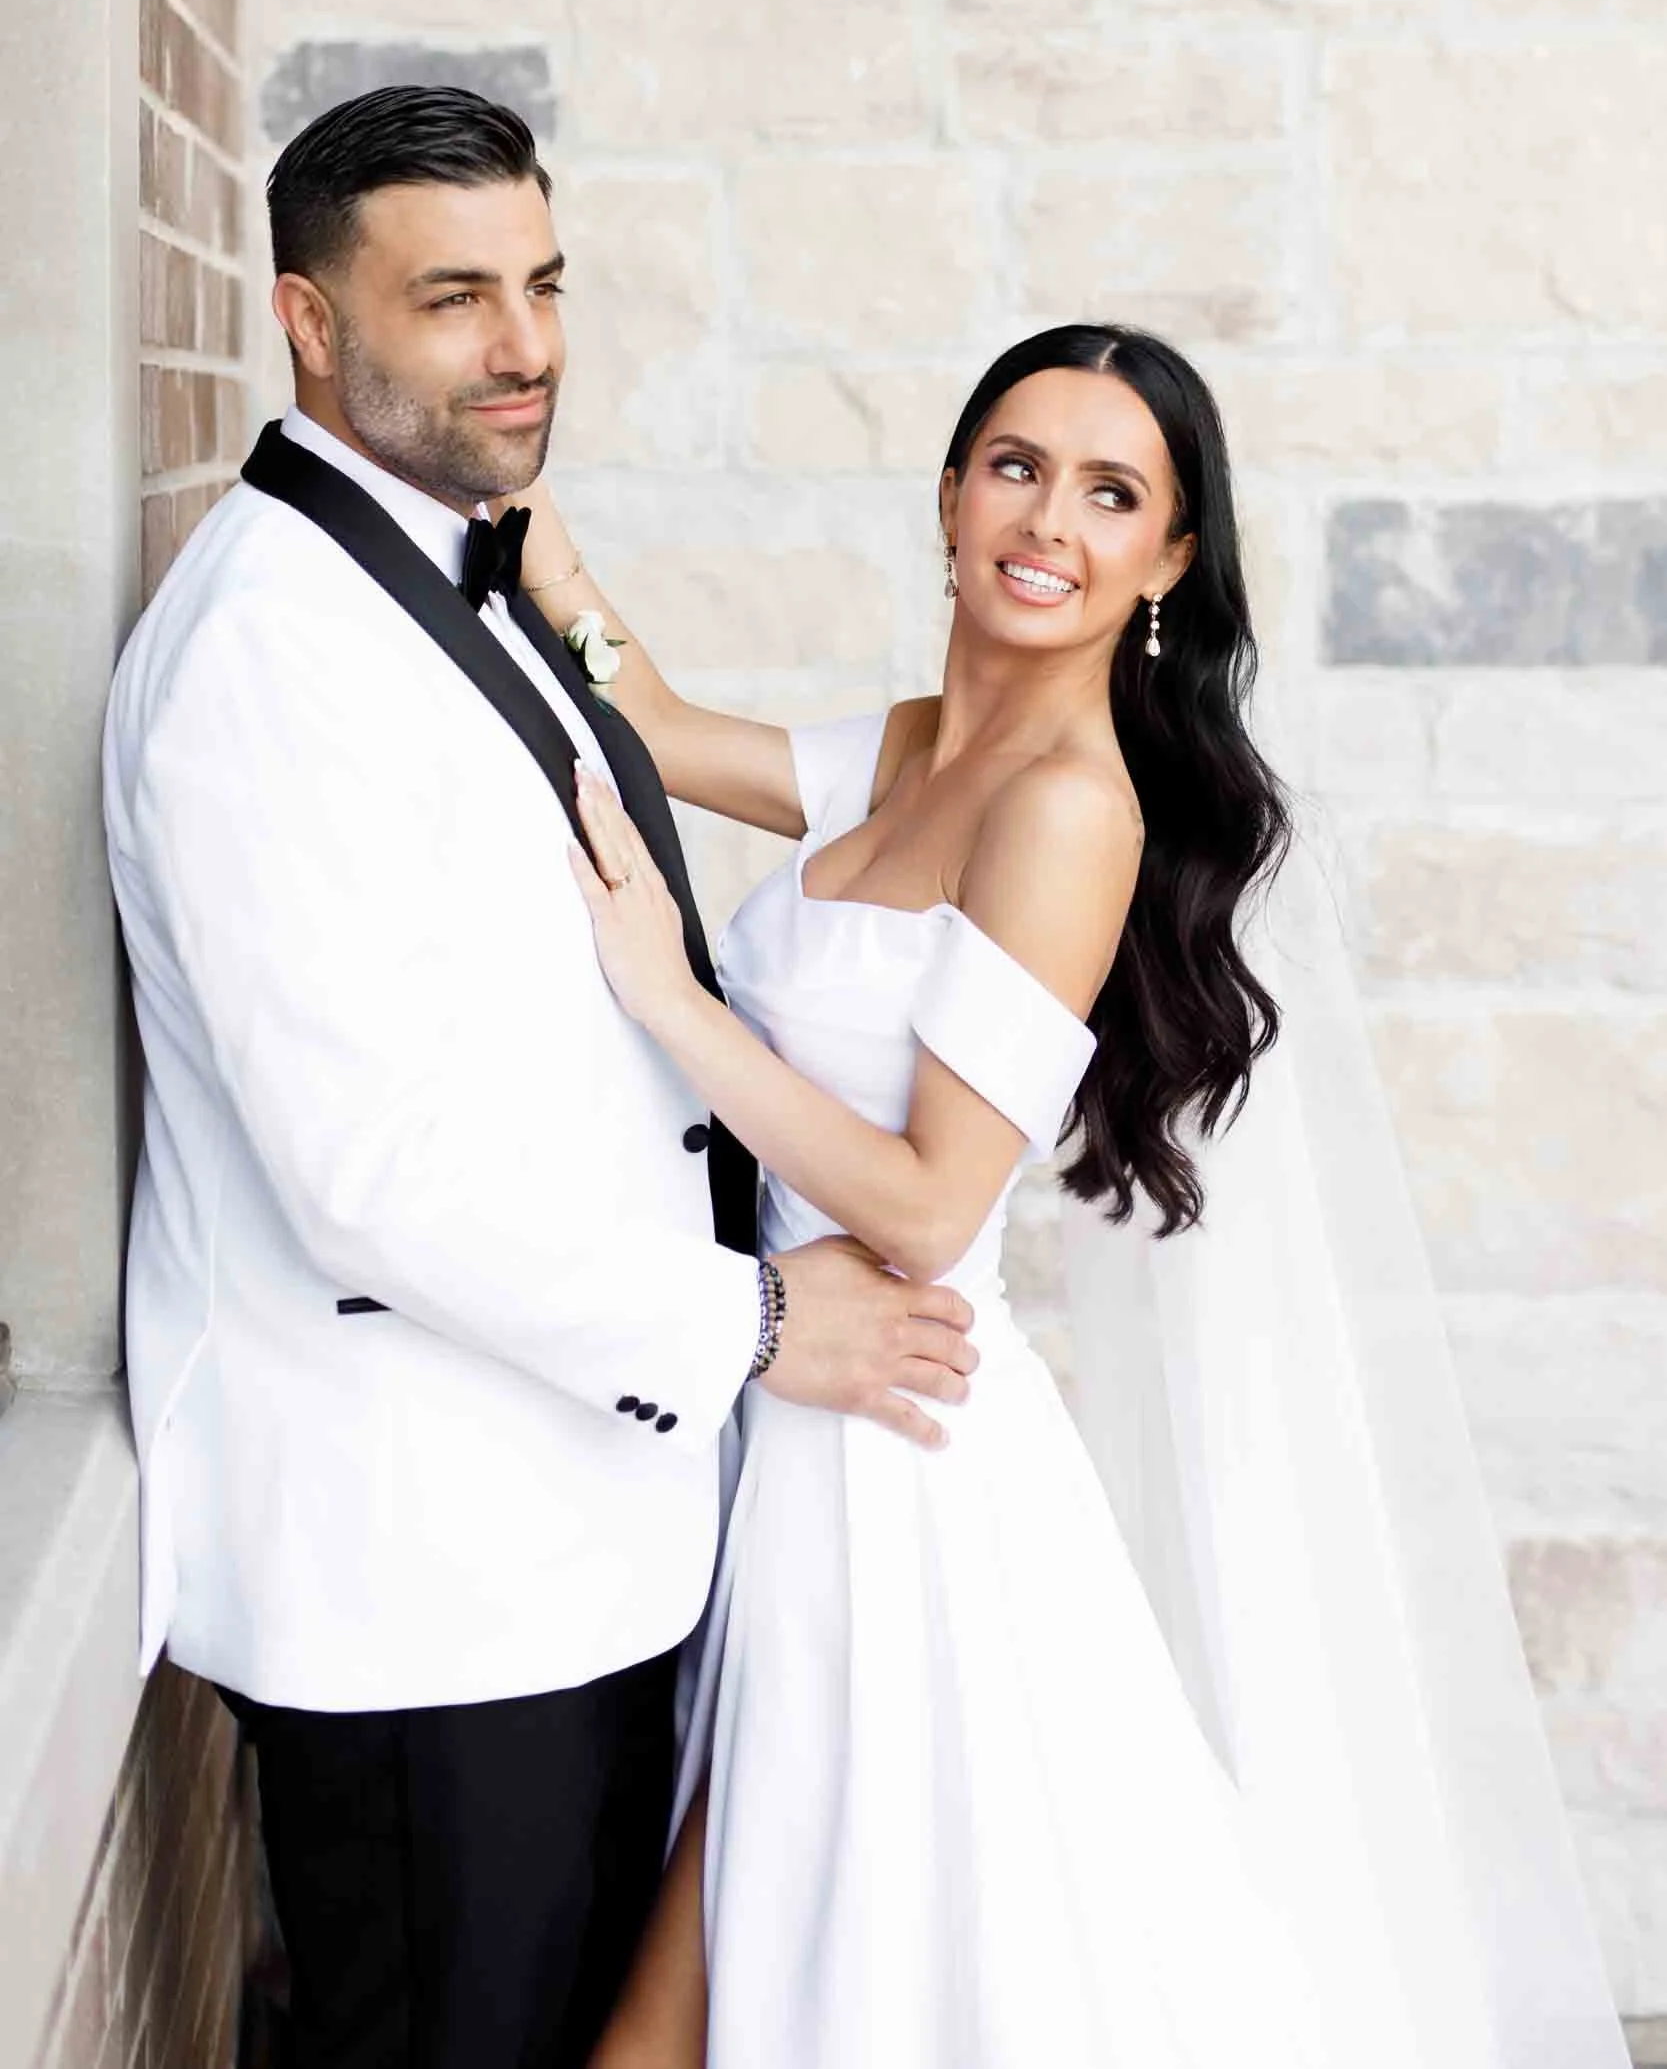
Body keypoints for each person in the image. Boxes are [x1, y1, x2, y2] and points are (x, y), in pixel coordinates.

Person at [512, 323, 1633, 2069]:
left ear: (1168, 562)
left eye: (1114, 493)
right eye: (1018, 466)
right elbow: (645, 721)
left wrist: (667, 997)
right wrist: (519, 490)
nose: (1050, 520)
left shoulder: (1062, 811)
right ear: (950, 492)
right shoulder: (910, 753)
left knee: (816, 1964)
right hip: (802, 1414)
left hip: (903, 1446)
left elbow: (932, 1204)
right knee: (730, 1949)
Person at [102, 84, 977, 2069]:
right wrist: (759, 1315)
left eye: (545, 283)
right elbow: (368, 1174)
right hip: (426, 1581)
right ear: (308, 324)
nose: (525, 344)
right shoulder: (266, 653)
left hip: (567, 1532)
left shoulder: (446, 558)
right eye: (454, 298)